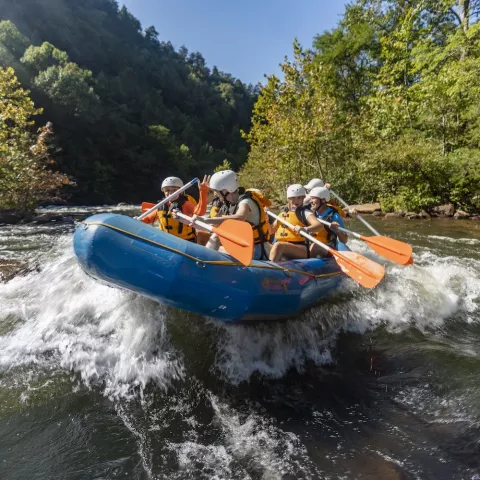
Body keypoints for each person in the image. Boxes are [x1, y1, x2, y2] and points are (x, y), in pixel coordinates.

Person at [197, 170, 272, 260]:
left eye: (216, 191)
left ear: (225, 190)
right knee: (216, 234)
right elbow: (215, 224)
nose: (215, 194)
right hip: (240, 247)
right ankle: (204, 260)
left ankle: (205, 261)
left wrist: (206, 220)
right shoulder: (228, 204)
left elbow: (240, 217)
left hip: (258, 251)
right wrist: (194, 222)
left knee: (217, 236)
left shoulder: (246, 201)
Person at [140, 176, 209, 242]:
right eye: (167, 190)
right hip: (167, 240)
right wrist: (138, 220)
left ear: (181, 191)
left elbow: (200, 212)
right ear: (163, 191)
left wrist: (203, 192)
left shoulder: (186, 204)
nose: (170, 193)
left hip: (186, 241)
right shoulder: (161, 206)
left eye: (174, 190)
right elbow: (148, 219)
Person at [269, 184, 324, 262]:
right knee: (264, 245)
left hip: (301, 248)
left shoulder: (305, 212)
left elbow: (319, 225)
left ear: (303, 199)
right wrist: (265, 219)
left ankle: (271, 270)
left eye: (299, 198)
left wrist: (306, 229)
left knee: (278, 246)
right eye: (293, 198)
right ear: (289, 199)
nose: (296, 201)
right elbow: (271, 231)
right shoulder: (282, 214)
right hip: (284, 245)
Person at [308, 186, 348, 257]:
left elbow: (344, 240)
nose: (311, 201)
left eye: (314, 198)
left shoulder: (335, 216)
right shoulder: (310, 214)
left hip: (329, 248)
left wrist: (338, 231)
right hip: (311, 244)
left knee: (315, 246)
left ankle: (306, 266)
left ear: (323, 200)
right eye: (311, 198)